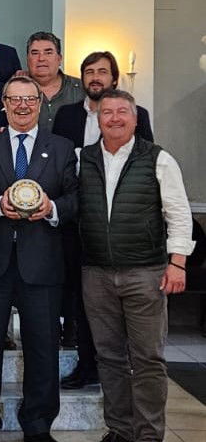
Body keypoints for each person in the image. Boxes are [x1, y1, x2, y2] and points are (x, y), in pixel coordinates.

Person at [79, 89, 194, 442]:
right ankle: (120, 430)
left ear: (135, 117)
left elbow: (179, 214)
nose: (114, 118)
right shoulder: (83, 159)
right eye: (107, 112)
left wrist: (177, 263)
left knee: (147, 359)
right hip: (96, 272)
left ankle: (149, 441)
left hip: (146, 273)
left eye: (122, 112)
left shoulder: (158, 159)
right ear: (98, 119)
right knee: (109, 357)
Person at [0, 76, 78, 442]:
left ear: (39, 104)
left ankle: (39, 425)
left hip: (42, 264)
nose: (23, 106)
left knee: (43, 347)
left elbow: (75, 198)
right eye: (15, 99)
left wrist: (52, 209)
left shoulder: (61, 148)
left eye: (30, 99)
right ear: (4, 103)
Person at [53, 51, 153, 389]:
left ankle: (117, 366)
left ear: (114, 78)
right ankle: (86, 365)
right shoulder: (67, 115)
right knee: (82, 297)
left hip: (117, 223)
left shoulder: (136, 116)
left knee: (115, 302)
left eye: (102, 72)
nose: (95, 78)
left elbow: (144, 164)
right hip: (74, 220)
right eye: (89, 72)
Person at [25, 31, 84, 131]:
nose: (41, 58)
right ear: (27, 59)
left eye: (48, 53)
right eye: (35, 53)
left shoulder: (81, 89)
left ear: (59, 59)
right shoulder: (14, 91)